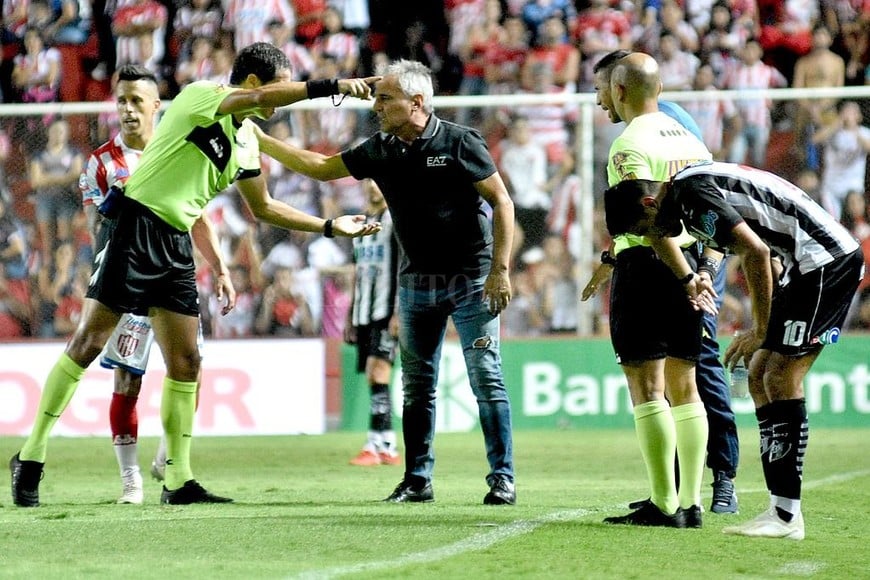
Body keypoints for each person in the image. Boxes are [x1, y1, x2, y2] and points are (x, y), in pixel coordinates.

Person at [10, 42, 381, 507]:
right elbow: (251, 102)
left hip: (176, 243)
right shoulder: (200, 96)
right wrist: (333, 87)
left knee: (187, 363)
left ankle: (178, 480)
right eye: (278, 86)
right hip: (137, 226)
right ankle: (32, 454)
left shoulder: (246, 139)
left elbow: (264, 207)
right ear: (251, 85)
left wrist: (328, 225)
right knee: (87, 343)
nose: (281, 97)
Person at [255, 59, 517, 506]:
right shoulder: (381, 149)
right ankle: (418, 479)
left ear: (417, 103)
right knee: (417, 385)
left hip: (472, 279)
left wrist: (501, 269)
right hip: (415, 283)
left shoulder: (460, 141)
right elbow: (321, 167)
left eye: (385, 98)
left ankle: (502, 478)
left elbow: (503, 202)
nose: (375, 106)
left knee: (486, 377)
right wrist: (261, 141)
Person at [603, 161, 865, 540]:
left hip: (825, 260)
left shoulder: (690, 194)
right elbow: (746, 238)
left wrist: (760, 327)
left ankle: (787, 516)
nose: (658, 238)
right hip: (801, 264)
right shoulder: (682, 196)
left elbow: (756, 253)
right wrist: (696, 278)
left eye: (647, 229)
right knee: (760, 373)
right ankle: (781, 510)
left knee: (778, 375)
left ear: (649, 203)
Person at [586, 50, 739, 517]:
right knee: (686, 384)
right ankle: (692, 502)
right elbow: (717, 219)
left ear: (619, 90)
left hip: (651, 269)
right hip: (692, 261)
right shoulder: (694, 145)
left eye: (601, 92)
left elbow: (649, 224)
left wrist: (685, 275)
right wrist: (699, 273)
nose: (599, 104)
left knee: (648, 387)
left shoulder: (628, 144)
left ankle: (663, 501)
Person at [78, 64, 221, 504]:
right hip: (126, 281)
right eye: (121, 101)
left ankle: (168, 460)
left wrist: (222, 269)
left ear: (157, 106)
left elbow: (197, 215)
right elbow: (94, 226)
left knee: (190, 371)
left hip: (173, 277)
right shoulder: (102, 162)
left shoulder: (178, 147)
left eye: (136, 101)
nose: (127, 109)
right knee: (127, 382)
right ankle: (131, 481)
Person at [345, 179, 401, 467]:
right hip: (364, 312)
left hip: (385, 309)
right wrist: (349, 315)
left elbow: (404, 267)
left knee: (379, 371)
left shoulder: (395, 220)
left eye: (378, 180)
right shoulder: (359, 226)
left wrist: (398, 311)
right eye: (367, 180)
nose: (372, 186)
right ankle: (388, 444)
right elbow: (359, 271)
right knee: (373, 374)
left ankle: (375, 443)